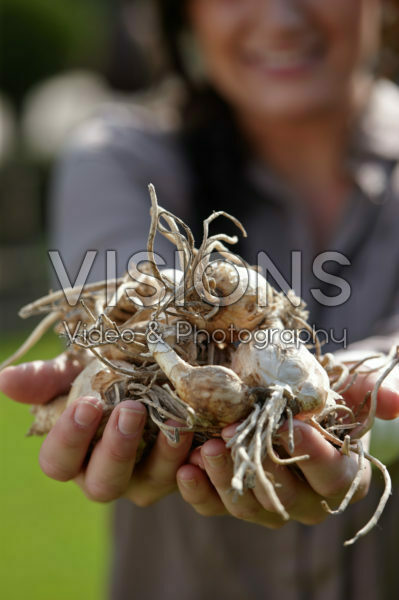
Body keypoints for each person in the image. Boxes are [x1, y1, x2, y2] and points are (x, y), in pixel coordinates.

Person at [2, 0, 399, 598]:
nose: (281, 18)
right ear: (182, 14)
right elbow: (128, 303)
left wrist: (377, 400)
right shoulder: (118, 155)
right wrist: (128, 365)